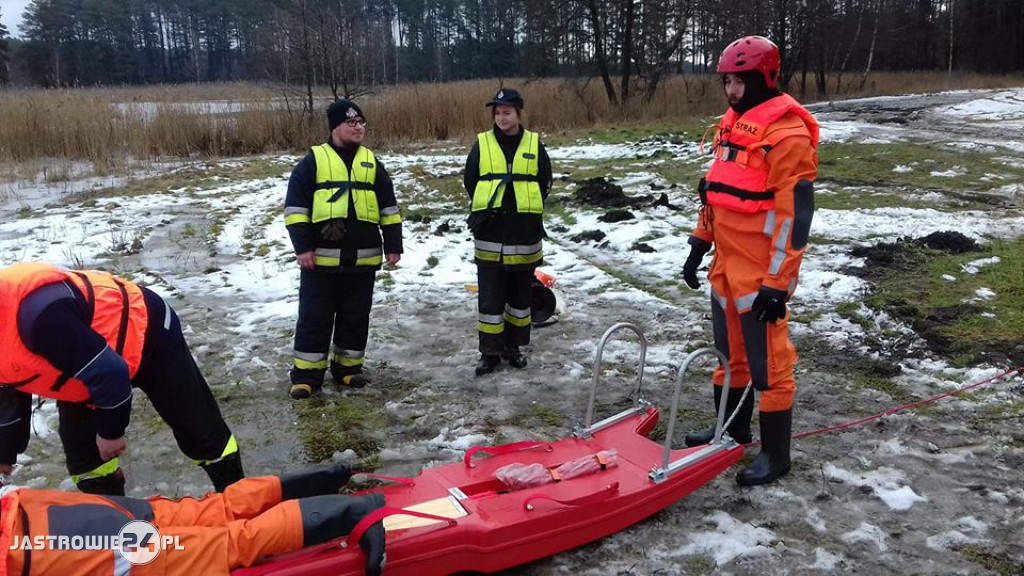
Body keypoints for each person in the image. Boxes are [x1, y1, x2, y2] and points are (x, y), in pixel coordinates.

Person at [680, 36, 819, 486]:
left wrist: (778, 284)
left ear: (766, 78)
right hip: (725, 267)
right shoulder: (732, 123)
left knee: (770, 366)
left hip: (760, 274)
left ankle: (776, 455)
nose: (732, 91)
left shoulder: (788, 134)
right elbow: (716, 190)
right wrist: (699, 244)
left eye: (741, 82)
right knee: (729, 356)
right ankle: (731, 429)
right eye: (727, 81)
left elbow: (792, 218)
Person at [0, 262, 243, 496]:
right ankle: (116, 522)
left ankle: (241, 500)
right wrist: (4, 454)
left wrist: (110, 432)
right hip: (82, 368)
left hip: (146, 331)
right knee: (85, 463)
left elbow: (110, 373)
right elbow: (8, 393)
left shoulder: (39, 317)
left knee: (199, 431)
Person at [0, 462, 386, 576]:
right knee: (212, 510)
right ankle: (330, 475)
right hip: (32, 510)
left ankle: (357, 511)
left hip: (43, 554)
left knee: (231, 544)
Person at [284, 99, 403, 399]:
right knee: (315, 316)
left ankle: (348, 369)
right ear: (335, 127)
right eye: (351, 123)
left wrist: (393, 245)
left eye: (361, 122)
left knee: (355, 315)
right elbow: (296, 209)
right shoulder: (313, 161)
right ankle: (307, 376)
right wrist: (303, 247)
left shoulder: (372, 162)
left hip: (362, 259)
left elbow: (389, 208)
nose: (358, 127)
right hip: (320, 261)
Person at [463, 88, 553, 376]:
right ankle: (489, 353)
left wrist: (522, 206)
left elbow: (543, 180)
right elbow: (471, 179)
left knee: (519, 299)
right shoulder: (482, 144)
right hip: (490, 232)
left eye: (507, 112)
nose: (501, 118)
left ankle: (513, 348)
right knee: (490, 300)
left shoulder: (534, 144)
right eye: (497, 113)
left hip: (524, 233)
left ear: (518, 114)